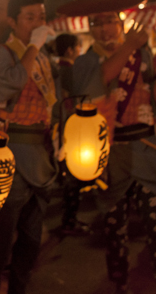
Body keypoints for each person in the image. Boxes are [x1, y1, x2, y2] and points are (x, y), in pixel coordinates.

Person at [71, 8, 156, 294]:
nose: (105, 28)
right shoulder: (85, 62)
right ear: (90, 28)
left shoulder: (145, 55)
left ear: (120, 24)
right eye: (97, 22)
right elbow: (94, 86)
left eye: (110, 21)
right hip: (110, 155)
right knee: (114, 232)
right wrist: (131, 45)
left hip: (146, 148)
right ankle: (120, 285)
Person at [0, 0, 57, 294]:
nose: (38, 23)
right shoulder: (2, 54)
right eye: (30, 17)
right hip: (10, 153)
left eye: (42, 16)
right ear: (12, 21)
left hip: (40, 152)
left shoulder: (44, 58)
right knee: (0, 240)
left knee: (31, 240)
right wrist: (34, 46)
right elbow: (9, 84)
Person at [53, 33, 91, 235]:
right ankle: (69, 219)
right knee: (73, 175)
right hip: (70, 125)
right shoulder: (69, 71)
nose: (79, 52)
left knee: (69, 172)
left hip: (61, 125)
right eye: (78, 48)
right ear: (69, 50)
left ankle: (69, 218)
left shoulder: (56, 69)